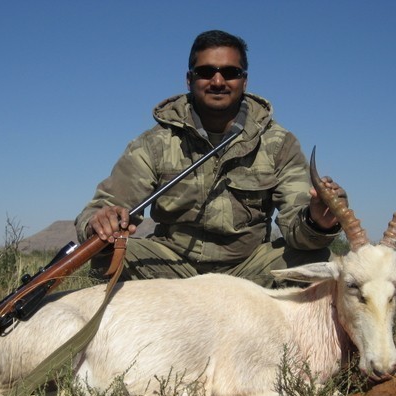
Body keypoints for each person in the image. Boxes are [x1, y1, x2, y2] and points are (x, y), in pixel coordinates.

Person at [75, 30, 346, 287]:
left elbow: (296, 226)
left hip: (248, 271)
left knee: (320, 263)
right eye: (206, 72)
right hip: (171, 268)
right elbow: (104, 207)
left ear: (244, 80)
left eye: (230, 72)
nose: (218, 81)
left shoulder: (279, 143)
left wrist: (317, 220)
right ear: (189, 79)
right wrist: (100, 221)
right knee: (106, 254)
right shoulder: (153, 143)